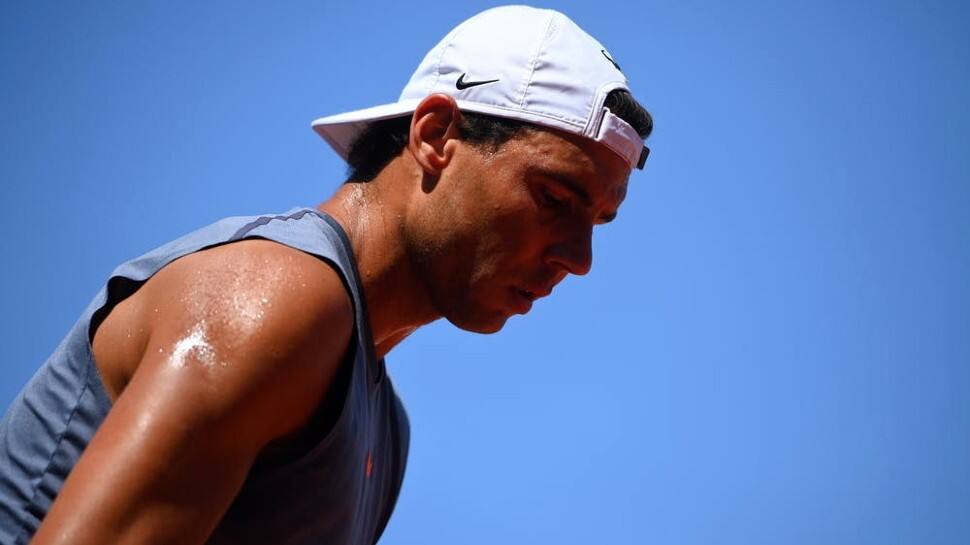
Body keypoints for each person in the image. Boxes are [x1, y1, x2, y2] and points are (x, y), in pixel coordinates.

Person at [0, 5, 652, 545]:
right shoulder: (272, 303)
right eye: (555, 199)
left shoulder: (384, 429)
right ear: (435, 136)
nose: (579, 256)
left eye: (598, 219)